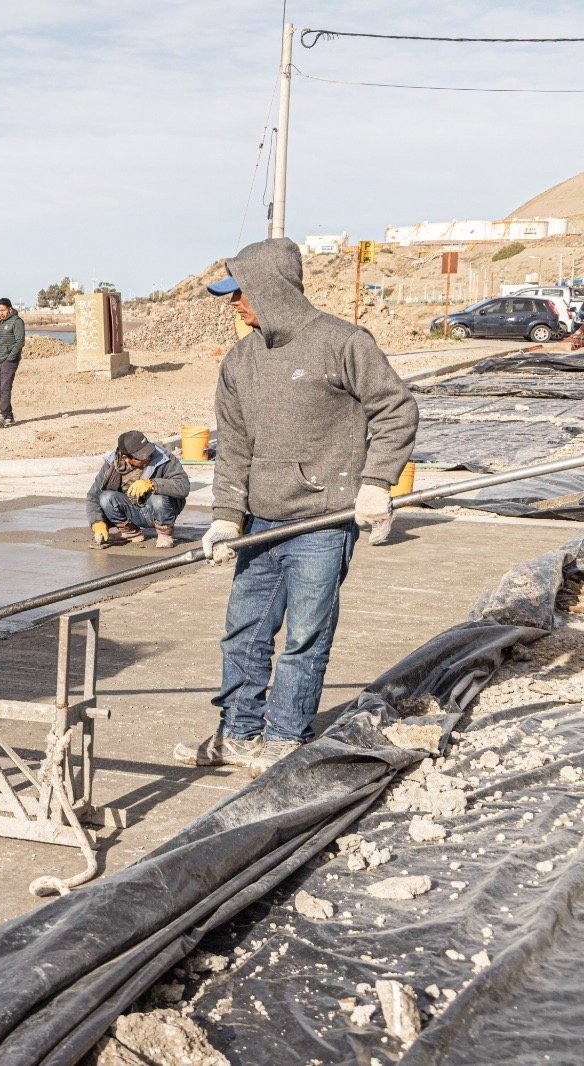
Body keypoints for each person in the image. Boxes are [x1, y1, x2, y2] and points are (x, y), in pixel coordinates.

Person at [174, 237, 417, 778]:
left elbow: (396, 410)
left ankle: (285, 738)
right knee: (245, 633)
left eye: (240, 291)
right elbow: (233, 447)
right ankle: (238, 734)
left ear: (271, 289)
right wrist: (225, 516)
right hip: (260, 524)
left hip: (322, 523)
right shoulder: (240, 362)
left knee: (306, 637)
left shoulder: (343, 343)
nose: (233, 302)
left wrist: (376, 482)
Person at [86, 430, 191, 549]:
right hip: (132, 510)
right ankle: (130, 532)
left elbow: (183, 486)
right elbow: (93, 496)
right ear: (126, 458)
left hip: (160, 510)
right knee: (106, 497)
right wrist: (97, 522)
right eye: (141, 457)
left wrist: (152, 484)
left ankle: (165, 534)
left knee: (158, 498)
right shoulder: (112, 464)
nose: (147, 458)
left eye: (148, 453)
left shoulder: (164, 458)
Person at [0, 297, 25, 428]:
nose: (1, 313)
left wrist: (11, 357)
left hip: (9, 360)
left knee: (5, 387)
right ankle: (9, 416)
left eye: (3, 310)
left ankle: (3, 415)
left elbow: (20, 341)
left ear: (9, 309)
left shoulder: (17, 321)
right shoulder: (0, 322)